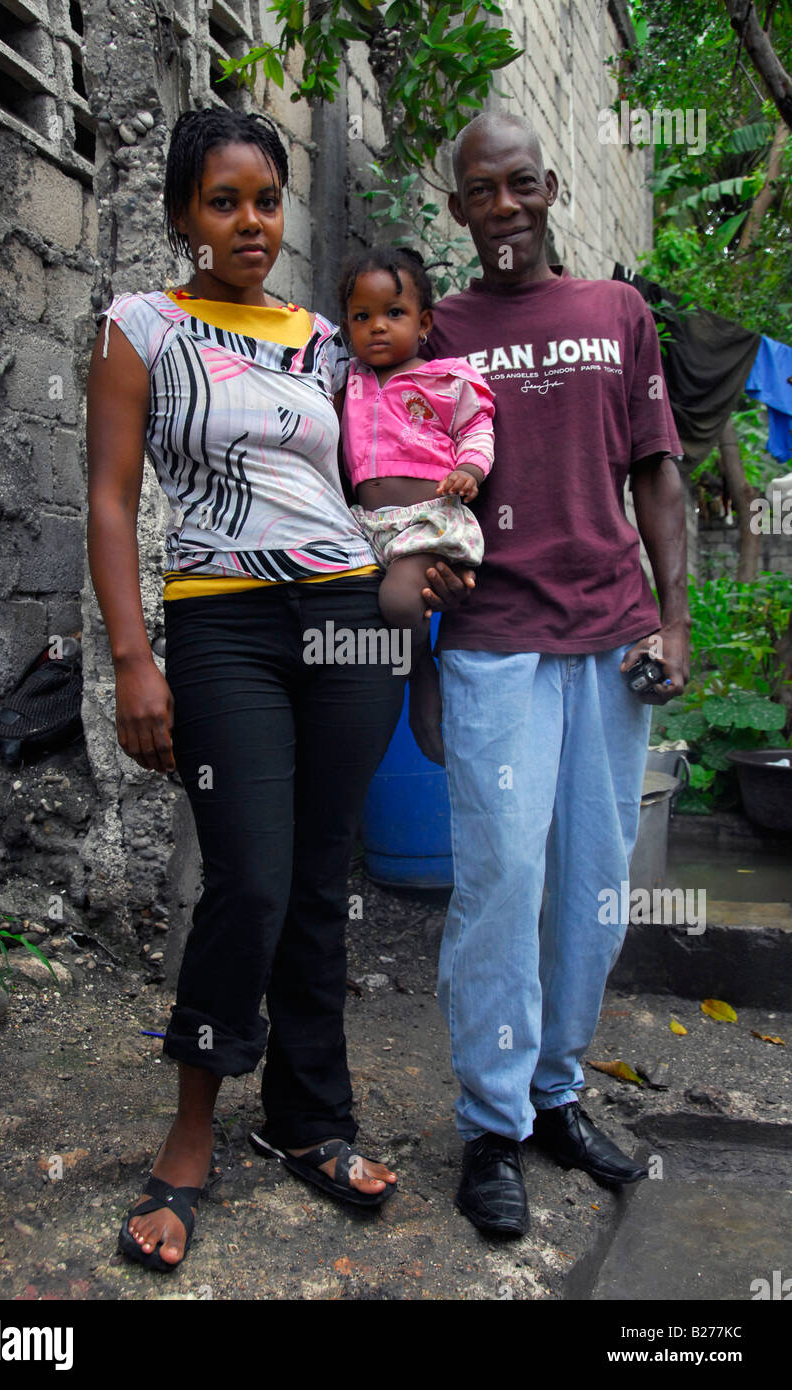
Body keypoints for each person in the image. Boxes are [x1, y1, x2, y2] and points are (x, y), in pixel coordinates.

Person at [85, 107, 469, 1271]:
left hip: (350, 613)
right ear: (182, 215)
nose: (250, 222)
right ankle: (193, 1133)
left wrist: (425, 548)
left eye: (265, 199)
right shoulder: (141, 327)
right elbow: (108, 500)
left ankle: (310, 1117)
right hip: (221, 624)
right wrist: (131, 658)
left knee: (316, 874)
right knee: (246, 876)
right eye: (223, 201)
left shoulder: (325, 339)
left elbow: (384, 460)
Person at [409, 112, 690, 1237]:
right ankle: (491, 1124)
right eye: (482, 190)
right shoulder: (437, 330)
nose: (506, 206)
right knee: (497, 886)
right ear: (461, 207)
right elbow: (410, 497)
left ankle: (558, 1094)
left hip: (613, 637)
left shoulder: (616, 314)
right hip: (494, 642)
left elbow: (658, 477)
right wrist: (420, 660)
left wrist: (675, 622)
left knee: (593, 888)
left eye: (523, 183)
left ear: (553, 185)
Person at [337, 245, 495, 638]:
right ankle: (409, 669)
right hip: (367, 526)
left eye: (394, 313)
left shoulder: (443, 379)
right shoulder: (348, 380)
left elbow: (476, 425)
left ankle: (421, 665)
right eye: (362, 316)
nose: (377, 325)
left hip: (427, 520)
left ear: (423, 323)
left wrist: (469, 469)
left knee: (398, 603)